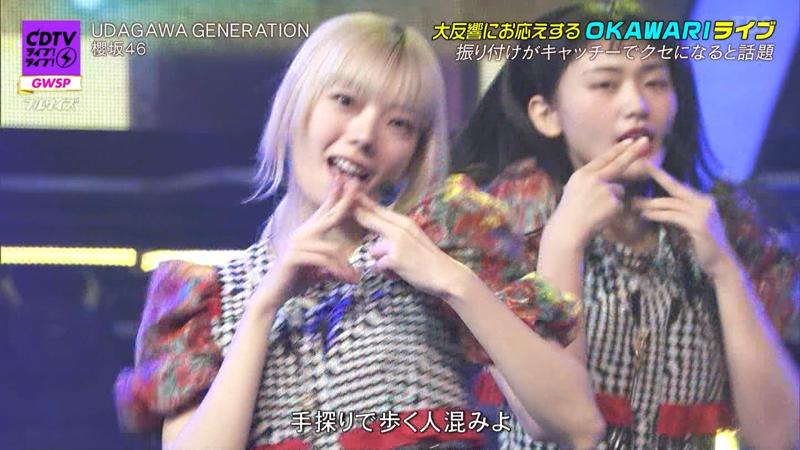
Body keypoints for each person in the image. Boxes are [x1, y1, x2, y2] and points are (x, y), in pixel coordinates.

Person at [114, 12, 604, 450]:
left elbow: (575, 422)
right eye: (345, 101)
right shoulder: (206, 299)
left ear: (414, 153)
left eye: (400, 123)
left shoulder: (445, 246)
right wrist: (263, 307)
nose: (365, 136)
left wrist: (453, 281)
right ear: (298, 106)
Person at [452, 2, 800, 449]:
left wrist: (727, 272)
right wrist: (564, 240)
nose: (638, 105)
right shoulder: (499, 227)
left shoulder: (729, 230)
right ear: (546, 114)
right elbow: (559, 421)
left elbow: (779, 437)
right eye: (605, 83)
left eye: (656, 82)